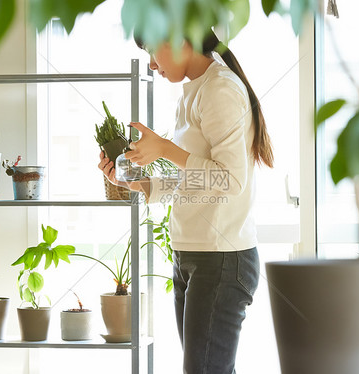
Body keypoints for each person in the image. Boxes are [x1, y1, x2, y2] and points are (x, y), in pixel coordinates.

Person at [98, 31, 274, 374]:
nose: (151, 63)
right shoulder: (193, 91)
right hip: (193, 256)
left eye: (152, 50)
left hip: (220, 260)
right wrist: (137, 183)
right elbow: (196, 180)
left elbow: (230, 181)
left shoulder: (220, 89)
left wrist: (164, 149)